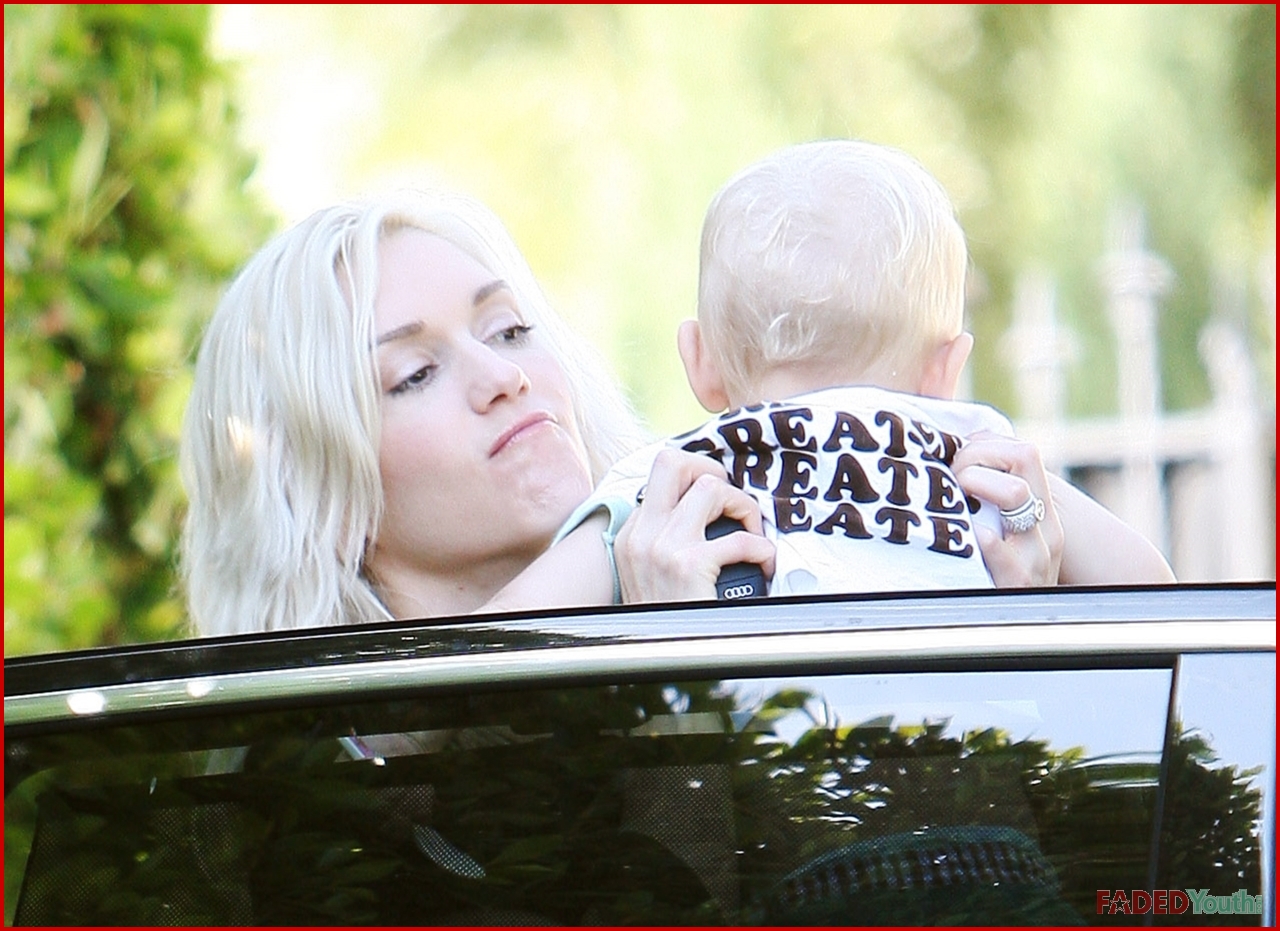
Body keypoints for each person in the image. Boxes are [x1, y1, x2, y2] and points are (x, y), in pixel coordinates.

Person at [491, 140, 1172, 607]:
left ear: (699, 363)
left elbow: (506, 633)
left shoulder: (673, 484)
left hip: (774, 762)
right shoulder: (978, 465)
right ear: (946, 370)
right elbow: (1152, 591)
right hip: (964, 765)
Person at [179, 187, 771, 636]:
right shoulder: (314, 754)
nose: (504, 377)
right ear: (315, 494)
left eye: (509, 331)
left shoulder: (748, 553)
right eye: (415, 374)